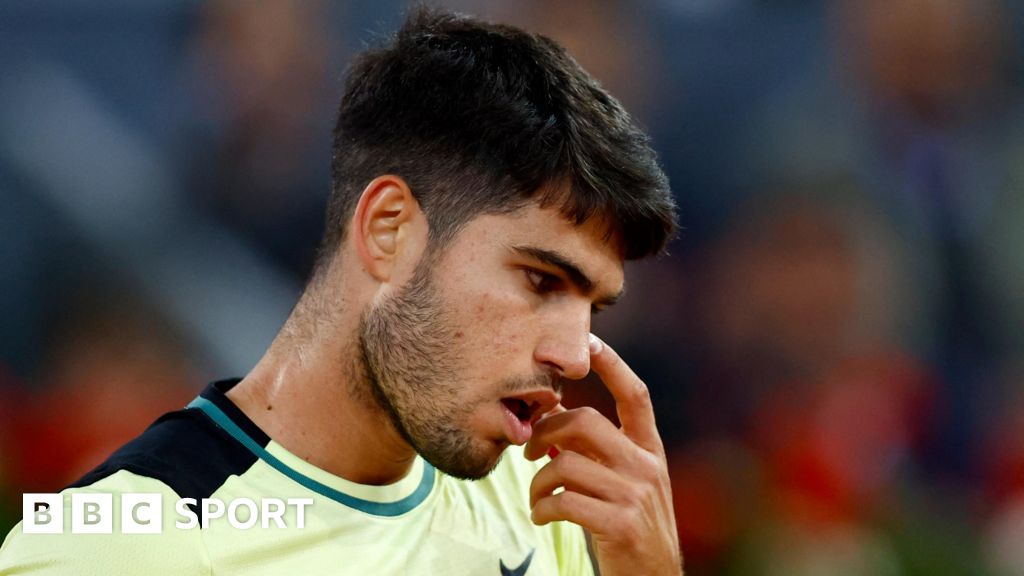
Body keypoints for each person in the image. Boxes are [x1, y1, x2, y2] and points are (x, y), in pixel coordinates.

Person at [0, 8, 681, 575]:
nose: (574, 354)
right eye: (540, 280)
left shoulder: (545, 501)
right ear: (389, 230)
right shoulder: (113, 548)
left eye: (591, 304)